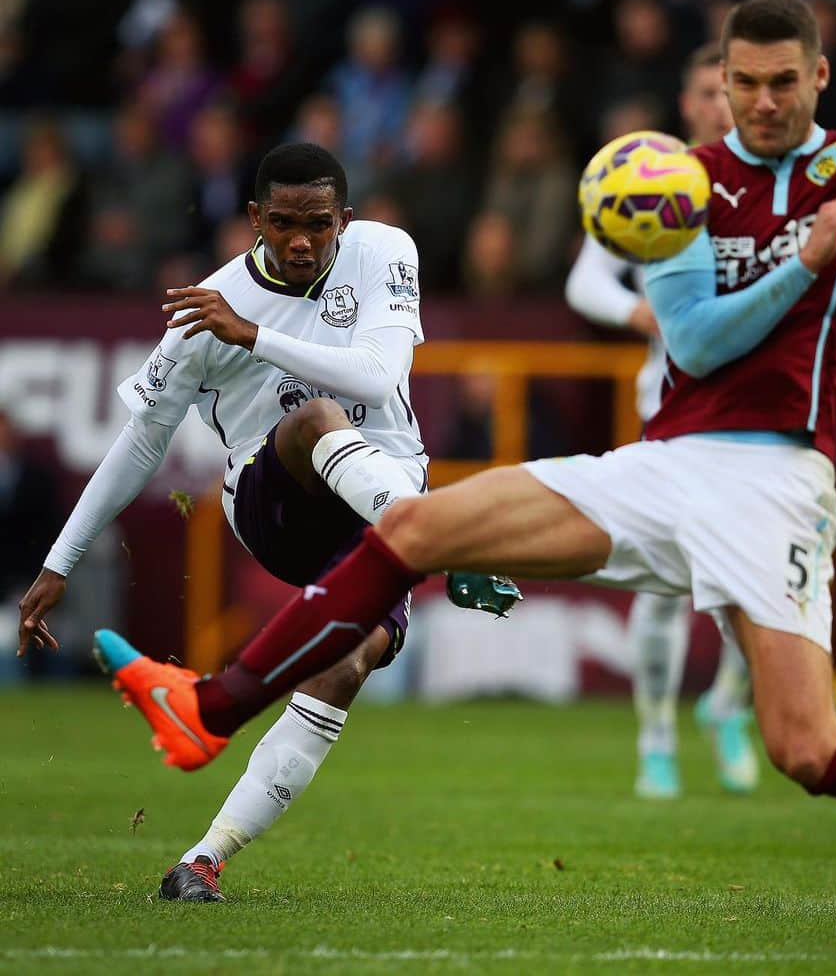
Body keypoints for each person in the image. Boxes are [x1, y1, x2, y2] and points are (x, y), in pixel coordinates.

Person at [29, 0, 836, 956]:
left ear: (818, 80)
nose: (758, 104)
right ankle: (210, 708)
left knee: (807, 750)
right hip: (666, 466)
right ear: (719, 83)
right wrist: (802, 265)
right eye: (739, 84)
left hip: (777, 485)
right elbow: (699, 345)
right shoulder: (679, 184)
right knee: (418, 531)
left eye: (781, 82)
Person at [16, 143, 520, 902]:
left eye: (318, 225)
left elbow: (378, 377)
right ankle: (445, 545)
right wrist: (61, 560)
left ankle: (204, 858)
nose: (301, 242)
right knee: (315, 418)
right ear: (254, 218)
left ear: (343, 220)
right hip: (273, 498)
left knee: (346, 668)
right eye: (283, 223)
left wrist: (254, 336)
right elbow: (142, 440)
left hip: (379, 502)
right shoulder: (206, 309)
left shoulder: (384, 251)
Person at [565, 42, 759, 799]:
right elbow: (587, 278)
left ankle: (727, 707)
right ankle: (654, 740)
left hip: (752, 409)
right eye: (711, 89)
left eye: (732, 89)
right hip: (671, 406)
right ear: (688, 103)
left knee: (755, 583)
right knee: (664, 583)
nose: (723, 103)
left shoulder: (764, 183)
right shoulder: (654, 178)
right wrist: (635, 309)